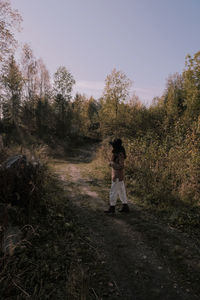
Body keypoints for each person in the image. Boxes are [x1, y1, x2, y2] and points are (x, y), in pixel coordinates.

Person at [104, 138, 130, 214]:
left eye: (113, 145)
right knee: (121, 191)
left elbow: (121, 166)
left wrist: (112, 164)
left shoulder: (120, 154)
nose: (112, 147)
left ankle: (112, 209)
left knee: (113, 192)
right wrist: (111, 163)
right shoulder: (117, 154)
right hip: (117, 176)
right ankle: (125, 207)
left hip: (117, 176)